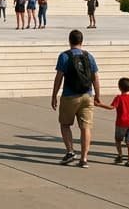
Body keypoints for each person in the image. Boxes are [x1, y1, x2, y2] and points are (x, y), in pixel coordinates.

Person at [51, 29, 101, 168]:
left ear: (69, 40)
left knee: (65, 124)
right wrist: (97, 95)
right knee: (86, 127)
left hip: (69, 95)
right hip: (87, 95)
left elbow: (59, 78)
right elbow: (95, 77)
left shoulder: (64, 56)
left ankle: (70, 151)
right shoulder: (89, 56)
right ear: (81, 41)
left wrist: (54, 95)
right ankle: (84, 158)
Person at [96, 78, 129, 167]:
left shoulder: (119, 98)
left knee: (118, 140)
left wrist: (99, 105)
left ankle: (120, 155)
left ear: (119, 87)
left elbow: (112, 107)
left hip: (121, 123)